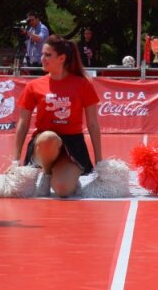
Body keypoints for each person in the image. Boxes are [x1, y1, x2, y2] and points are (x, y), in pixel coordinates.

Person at [13, 36, 103, 197]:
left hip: (73, 143)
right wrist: (15, 160)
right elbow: (23, 123)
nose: (42, 58)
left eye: (48, 55)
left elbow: (93, 124)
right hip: (44, 142)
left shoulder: (83, 84)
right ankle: (47, 174)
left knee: (63, 190)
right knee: (49, 137)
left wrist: (99, 161)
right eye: (42, 54)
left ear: (61, 58)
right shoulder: (33, 86)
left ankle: (69, 178)